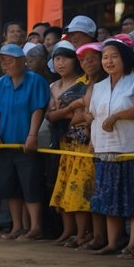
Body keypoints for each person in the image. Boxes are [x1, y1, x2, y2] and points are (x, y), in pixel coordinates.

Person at [85, 40, 134, 258]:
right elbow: (95, 118)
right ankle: (112, 243)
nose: (108, 61)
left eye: (114, 56)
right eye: (105, 56)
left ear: (125, 57)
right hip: (105, 150)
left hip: (132, 147)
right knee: (110, 199)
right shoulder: (98, 87)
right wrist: (93, 142)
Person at [0, 43, 50, 240]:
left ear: (23, 61)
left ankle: (36, 227)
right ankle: (17, 226)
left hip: (26, 144)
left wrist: (32, 136)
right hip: (5, 144)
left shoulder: (35, 81)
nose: (6, 65)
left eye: (10, 60)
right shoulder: (1, 83)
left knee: (30, 185)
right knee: (10, 187)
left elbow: (38, 109)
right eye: (3, 61)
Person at [46, 42, 93, 247]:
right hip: (62, 143)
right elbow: (50, 116)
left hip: (81, 142)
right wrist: (69, 111)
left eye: (65, 58)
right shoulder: (52, 86)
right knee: (63, 187)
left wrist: (63, 113)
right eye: (57, 59)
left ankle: (82, 234)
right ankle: (68, 231)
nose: (61, 63)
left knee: (79, 189)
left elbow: (81, 117)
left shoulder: (85, 84)